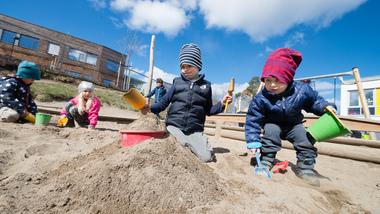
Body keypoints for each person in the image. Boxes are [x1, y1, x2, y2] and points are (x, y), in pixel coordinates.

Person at [245, 48, 336, 186]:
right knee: (270, 133)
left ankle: (305, 168)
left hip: (294, 124)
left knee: (305, 140)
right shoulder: (261, 98)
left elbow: (314, 102)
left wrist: (325, 106)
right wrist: (253, 140)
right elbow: (253, 119)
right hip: (272, 123)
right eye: (268, 80)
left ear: (288, 78)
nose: (272, 85)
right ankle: (266, 160)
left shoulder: (301, 91)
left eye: (278, 80)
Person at [141, 43, 232, 162]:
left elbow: (209, 110)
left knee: (206, 157)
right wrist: (150, 108)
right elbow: (163, 103)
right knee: (177, 144)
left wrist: (222, 103)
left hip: (194, 130)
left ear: (198, 66)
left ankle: (197, 144)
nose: (184, 70)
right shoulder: (177, 83)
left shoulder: (206, 86)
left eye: (188, 66)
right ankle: (185, 144)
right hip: (175, 126)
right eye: (182, 66)